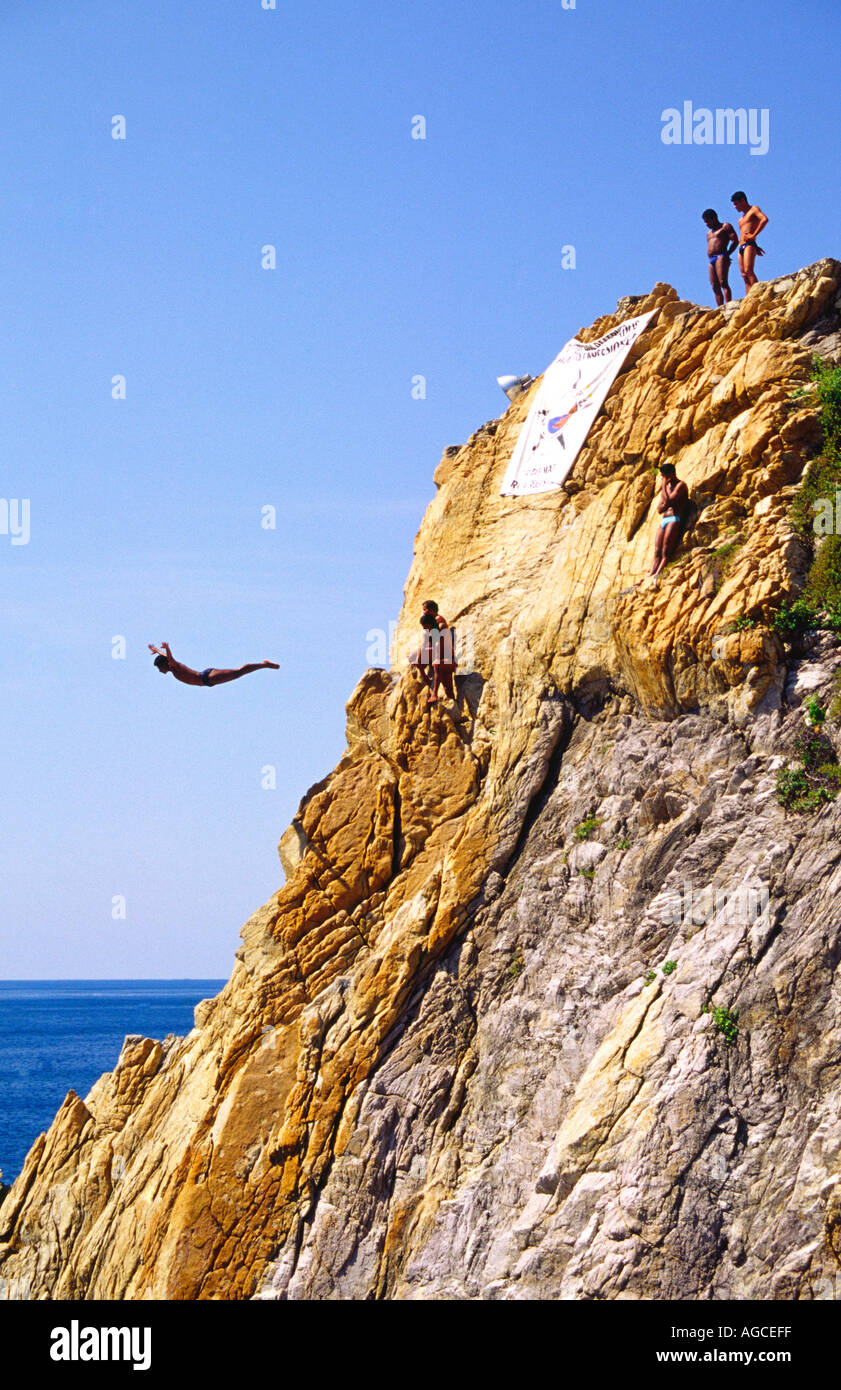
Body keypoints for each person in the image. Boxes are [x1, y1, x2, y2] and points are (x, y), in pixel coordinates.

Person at [148, 642, 279, 687]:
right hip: (207, 680)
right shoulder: (171, 667)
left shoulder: (174, 667)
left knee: (238, 672)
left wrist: (166, 649)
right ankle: (263, 665)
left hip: (207, 677)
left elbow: (169, 658)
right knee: (238, 673)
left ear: (164, 665)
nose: (159, 671)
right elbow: (166, 658)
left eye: (159, 668)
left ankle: (263, 664)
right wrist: (158, 651)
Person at [649, 463, 690, 578]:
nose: (662, 479)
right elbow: (660, 509)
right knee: (657, 551)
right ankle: (651, 574)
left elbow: (670, 501)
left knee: (666, 551)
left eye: (663, 477)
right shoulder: (667, 488)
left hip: (675, 518)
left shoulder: (681, 485)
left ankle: (658, 574)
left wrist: (663, 487)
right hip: (664, 519)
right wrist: (665, 496)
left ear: (670, 475)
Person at [731, 192, 768, 292]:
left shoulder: (753, 209)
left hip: (749, 245)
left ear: (743, 200)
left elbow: (764, 219)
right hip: (741, 246)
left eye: (736, 204)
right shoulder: (741, 219)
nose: (735, 207)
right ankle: (749, 297)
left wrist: (754, 235)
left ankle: (760, 293)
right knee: (744, 275)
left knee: (749, 271)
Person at [702, 208, 738, 306]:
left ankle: (728, 304)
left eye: (707, 221)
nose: (706, 224)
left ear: (714, 218)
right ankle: (720, 307)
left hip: (721, 256)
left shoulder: (725, 226)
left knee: (723, 282)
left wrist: (728, 254)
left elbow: (735, 240)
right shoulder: (709, 233)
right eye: (705, 222)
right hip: (711, 259)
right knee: (714, 285)